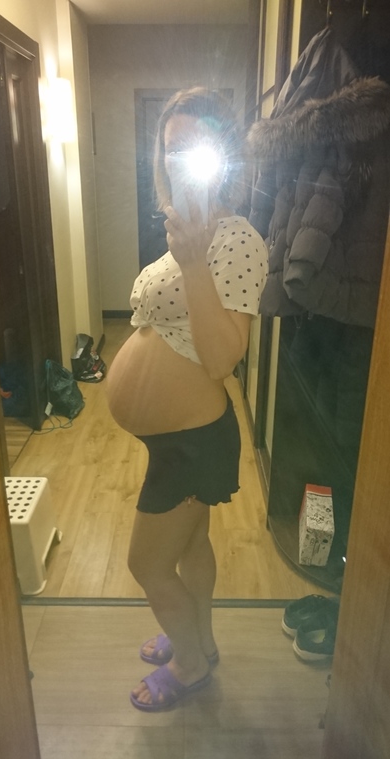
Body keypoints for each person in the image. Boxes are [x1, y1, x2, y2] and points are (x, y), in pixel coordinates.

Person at [106, 87, 268, 712]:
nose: (181, 161)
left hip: (193, 442)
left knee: (147, 565)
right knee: (192, 546)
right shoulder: (184, 231)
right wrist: (185, 253)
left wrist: (194, 264)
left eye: (196, 146)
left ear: (223, 154)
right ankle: (199, 639)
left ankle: (191, 664)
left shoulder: (237, 240)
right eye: (172, 149)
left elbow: (224, 359)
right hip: (176, 438)